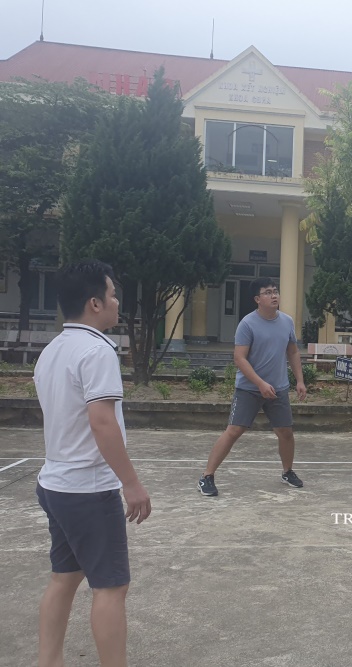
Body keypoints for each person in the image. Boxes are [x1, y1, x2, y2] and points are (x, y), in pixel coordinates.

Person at [34, 260, 152, 667]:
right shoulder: (97, 350)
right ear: (95, 303)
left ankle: (48, 661)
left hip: (55, 483)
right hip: (88, 489)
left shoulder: (52, 350)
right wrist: (131, 484)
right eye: (113, 294)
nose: (117, 302)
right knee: (111, 588)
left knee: (64, 579)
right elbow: (102, 422)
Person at [198, 277, 308, 496]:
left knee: (285, 432)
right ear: (258, 299)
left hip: (278, 388)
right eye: (268, 292)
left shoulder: (287, 321)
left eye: (275, 291)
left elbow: (293, 351)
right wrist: (260, 383)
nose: (274, 295)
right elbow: (239, 358)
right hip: (249, 388)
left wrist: (300, 380)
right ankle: (207, 476)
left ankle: (287, 472)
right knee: (234, 431)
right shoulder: (247, 324)